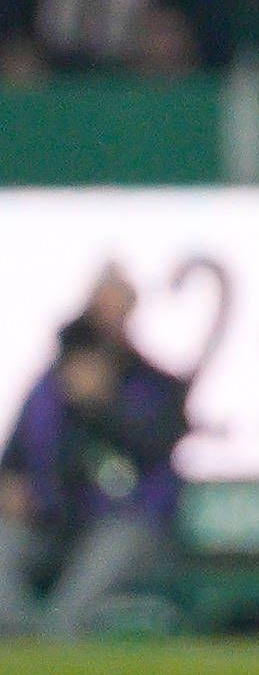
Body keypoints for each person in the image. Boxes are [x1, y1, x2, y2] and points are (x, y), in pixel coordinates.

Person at [0, 270, 187, 639]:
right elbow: (15, 460)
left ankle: (56, 638)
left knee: (106, 555)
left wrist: (100, 407)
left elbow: (153, 448)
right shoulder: (48, 392)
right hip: (51, 522)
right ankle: (20, 637)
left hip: (127, 522)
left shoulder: (156, 386)